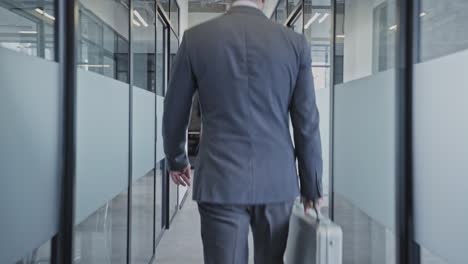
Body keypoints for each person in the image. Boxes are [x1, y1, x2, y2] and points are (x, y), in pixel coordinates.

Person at [162, 0, 323, 263]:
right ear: (263, 1)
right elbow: (306, 123)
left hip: (219, 180)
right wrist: (312, 187)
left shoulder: (196, 39)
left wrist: (177, 159)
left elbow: (174, 109)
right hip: (276, 182)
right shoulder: (294, 44)